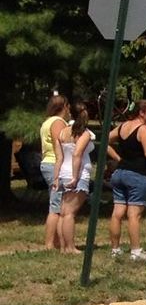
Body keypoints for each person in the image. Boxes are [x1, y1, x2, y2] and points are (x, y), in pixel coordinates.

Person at [108, 99, 146, 260]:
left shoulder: (123, 126)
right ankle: (136, 251)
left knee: (117, 213)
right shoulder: (144, 129)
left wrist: (118, 158)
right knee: (134, 215)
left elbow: (105, 141)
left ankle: (115, 249)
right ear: (141, 113)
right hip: (137, 175)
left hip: (120, 173)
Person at [55, 104, 97, 253]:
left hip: (63, 172)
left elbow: (59, 157)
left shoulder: (62, 132)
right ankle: (71, 247)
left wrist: (56, 177)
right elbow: (77, 154)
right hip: (77, 174)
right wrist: (75, 176)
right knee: (70, 213)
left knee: (63, 211)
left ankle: (63, 247)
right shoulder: (84, 134)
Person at [39, 94, 72, 250]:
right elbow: (62, 143)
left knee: (57, 202)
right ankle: (50, 243)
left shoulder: (47, 122)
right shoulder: (58, 122)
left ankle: (57, 241)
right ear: (64, 106)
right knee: (57, 206)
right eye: (68, 106)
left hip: (48, 162)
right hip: (55, 164)